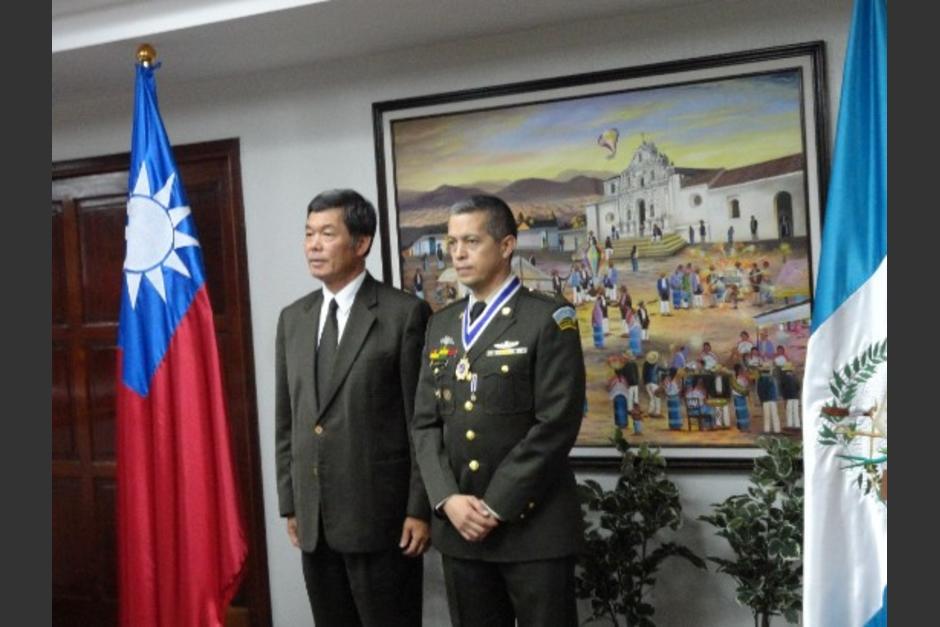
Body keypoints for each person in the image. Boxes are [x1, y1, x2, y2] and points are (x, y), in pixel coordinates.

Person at [412, 195, 585, 627]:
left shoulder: (548, 318)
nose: (458, 253)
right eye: (452, 243)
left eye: (471, 241)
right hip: (460, 530)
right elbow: (425, 423)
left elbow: (556, 424)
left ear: (506, 245)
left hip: (532, 528)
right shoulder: (442, 323)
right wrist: (447, 498)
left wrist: (494, 506)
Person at [275, 189, 431, 627]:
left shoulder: (404, 315)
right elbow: (287, 418)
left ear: (361, 243)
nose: (313, 245)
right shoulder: (294, 318)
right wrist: (291, 501)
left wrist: (419, 508)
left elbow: (420, 421)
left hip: (383, 520)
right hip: (315, 518)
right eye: (308, 234)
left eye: (327, 233)